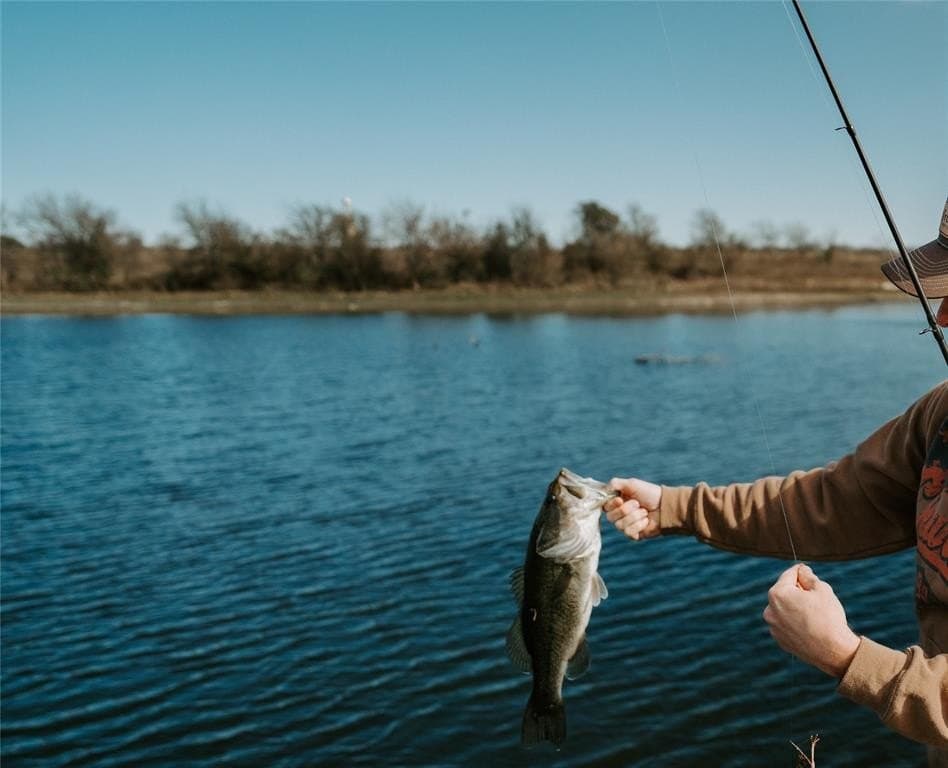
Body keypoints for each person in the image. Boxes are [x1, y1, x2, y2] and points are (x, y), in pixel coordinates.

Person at [605, 198, 948, 765]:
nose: (939, 316)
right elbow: (833, 501)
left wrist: (847, 656)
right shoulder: (940, 415)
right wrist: (675, 506)